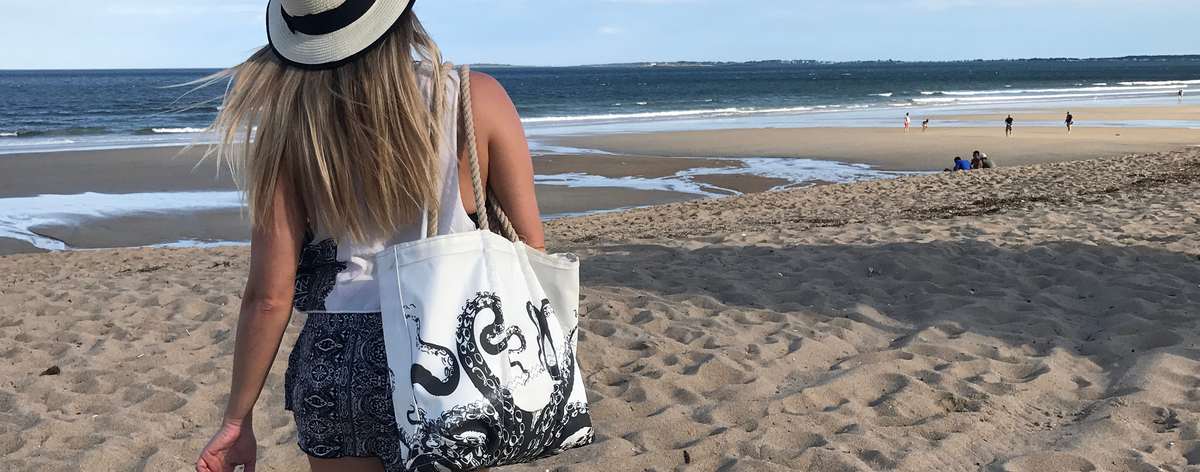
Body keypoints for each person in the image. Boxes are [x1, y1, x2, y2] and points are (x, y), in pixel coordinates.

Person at [195, 1, 543, 471]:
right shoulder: (474, 98)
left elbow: (268, 298)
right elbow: (530, 251)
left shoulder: (291, 127)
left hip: (336, 354)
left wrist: (237, 420)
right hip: (446, 343)